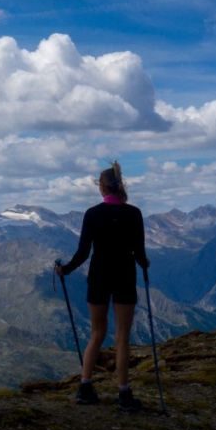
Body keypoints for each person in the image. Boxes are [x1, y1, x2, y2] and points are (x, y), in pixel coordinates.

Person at [54, 161, 150, 411]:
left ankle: (85, 387)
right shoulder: (134, 214)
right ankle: (124, 393)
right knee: (122, 337)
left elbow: (84, 252)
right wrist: (144, 264)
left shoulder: (92, 214)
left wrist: (65, 269)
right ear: (120, 186)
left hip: (98, 277)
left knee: (97, 333)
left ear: (102, 187)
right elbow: (139, 253)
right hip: (125, 278)